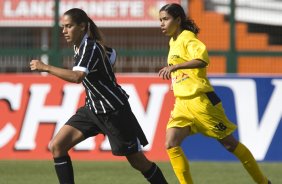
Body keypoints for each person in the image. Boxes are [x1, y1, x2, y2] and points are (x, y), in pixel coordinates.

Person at [30, 8, 168, 184]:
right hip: (92, 109)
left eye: (69, 26)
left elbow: (77, 77)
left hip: (114, 111)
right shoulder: (82, 46)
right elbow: (112, 55)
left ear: (82, 27)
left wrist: (46, 67)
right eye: (63, 27)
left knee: (138, 161)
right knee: (57, 146)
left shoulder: (90, 47)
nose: (64, 31)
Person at [158, 3, 271, 184]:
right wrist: (177, 79)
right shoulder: (173, 41)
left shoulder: (188, 38)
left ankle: (264, 182)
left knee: (229, 144)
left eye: (165, 19)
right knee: (170, 144)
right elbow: (182, 72)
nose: (162, 24)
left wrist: (176, 66)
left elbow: (202, 60)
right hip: (182, 104)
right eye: (160, 20)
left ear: (178, 20)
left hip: (201, 102)